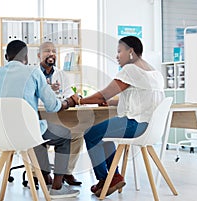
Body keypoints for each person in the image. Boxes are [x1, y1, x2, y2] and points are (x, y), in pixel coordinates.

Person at [0, 40, 79, 199]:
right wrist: (68, 103)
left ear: (6, 57)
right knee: (61, 135)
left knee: (37, 134)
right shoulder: (33, 72)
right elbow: (52, 106)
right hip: (27, 133)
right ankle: (57, 187)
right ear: (26, 58)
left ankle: (45, 180)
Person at [70, 36, 165, 197]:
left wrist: (79, 100)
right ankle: (113, 176)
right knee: (103, 132)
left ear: (131, 52)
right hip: (149, 128)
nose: (117, 56)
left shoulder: (131, 69)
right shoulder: (155, 72)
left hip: (136, 125)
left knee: (91, 133)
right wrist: (112, 103)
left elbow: (103, 95)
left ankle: (104, 179)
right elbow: (138, 99)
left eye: (119, 51)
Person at [37, 41, 83, 186]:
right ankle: (37, 173)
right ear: (38, 55)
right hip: (39, 117)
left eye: (53, 51)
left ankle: (65, 172)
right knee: (37, 137)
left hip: (59, 116)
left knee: (77, 134)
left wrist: (72, 98)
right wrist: (47, 89)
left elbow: (69, 94)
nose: (51, 54)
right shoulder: (33, 74)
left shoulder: (61, 74)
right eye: (46, 51)